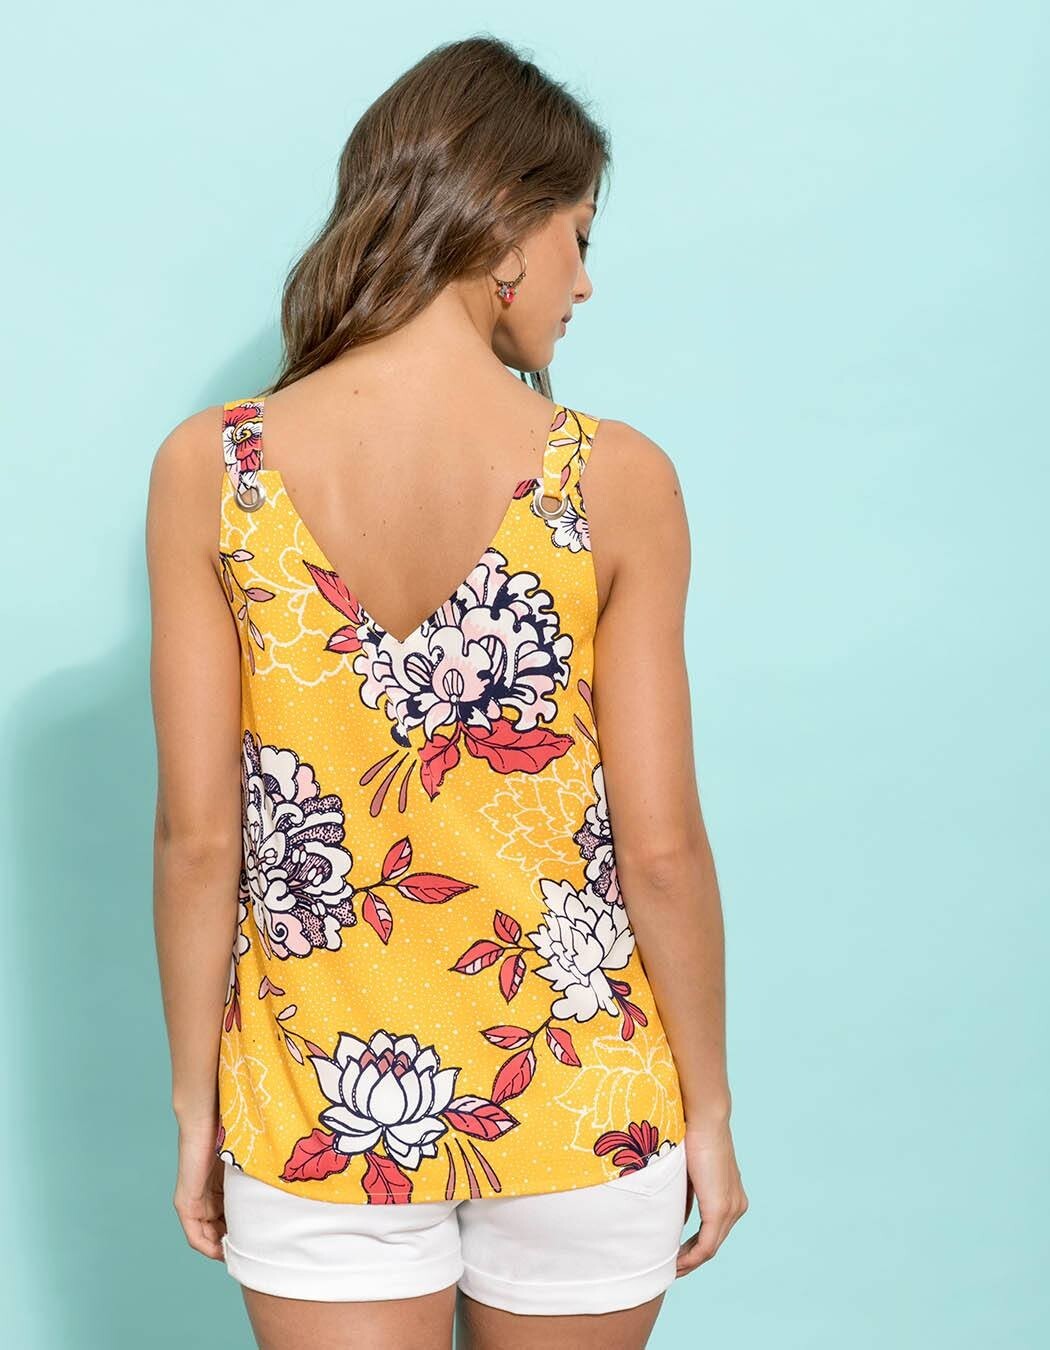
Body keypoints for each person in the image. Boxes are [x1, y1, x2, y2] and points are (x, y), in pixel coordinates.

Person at [146, 33, 747, 1350]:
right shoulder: (614, 479)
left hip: (314, 1105)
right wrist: (707, 1105)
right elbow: (657, 848)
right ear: (507, 228)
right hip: (583, 1099)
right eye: (579, 236)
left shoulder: (213, 468)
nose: (585, 282)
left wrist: (198, 1102)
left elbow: (199, 839)